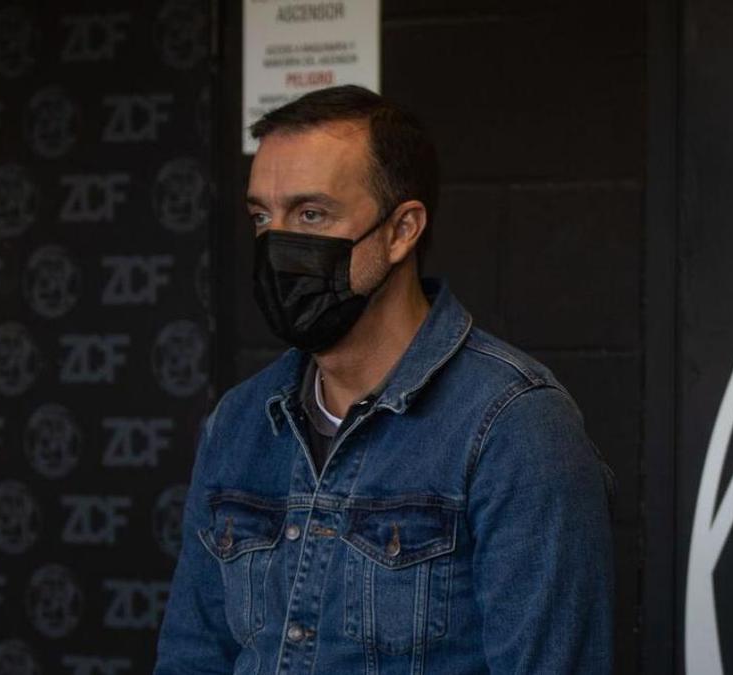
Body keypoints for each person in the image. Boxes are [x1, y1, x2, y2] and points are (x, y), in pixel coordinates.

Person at [154, 85, 615, 674]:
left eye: (311, 214)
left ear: (401, 231)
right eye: (262, 217)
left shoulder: (514, 426)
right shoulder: (239, 422)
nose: (277, 245)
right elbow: (193, 656)